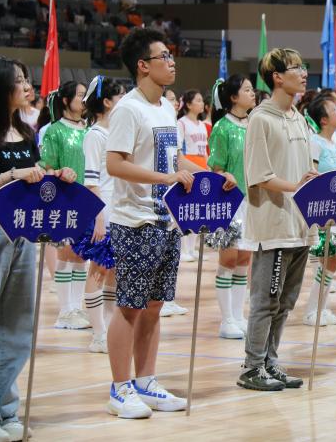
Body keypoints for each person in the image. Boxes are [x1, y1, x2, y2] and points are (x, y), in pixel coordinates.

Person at [105, 28, 231, 418]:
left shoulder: (164, 108)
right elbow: (115, 164)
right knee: (129, 306)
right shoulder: (128, 109)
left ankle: (146, 381)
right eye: (164, 56)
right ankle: (119, 388)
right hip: (135, 221)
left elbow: (173, 159)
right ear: (143, 65)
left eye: (172, 56)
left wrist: (211, 176)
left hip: (167, 221)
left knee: (155, 306)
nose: (172, 62)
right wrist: (165, 178)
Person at [0, 56, 74, 441]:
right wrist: (12, 174)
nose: (27, 85)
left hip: (23, 235)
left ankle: (6, 409)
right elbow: (17, 177)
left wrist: (57, 176)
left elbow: (35, 180)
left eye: (27, 79)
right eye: (19, 80)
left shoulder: (27, 133)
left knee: (17, 325)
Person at [237, 48, 316, 391]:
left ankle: (270, 361)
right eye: (296, 68)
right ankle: (252, 367)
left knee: (286, 302)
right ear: (277, 77)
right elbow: (259, 176)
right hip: (273, 226)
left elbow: (303, 169)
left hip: (300, 224)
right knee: (266, 300)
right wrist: (297, 185)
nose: (304, 73)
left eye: (303, 66)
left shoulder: (299, 118)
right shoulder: (261, 118)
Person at [73, 76, 126, 353]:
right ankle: (98, 335)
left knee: (113, 272)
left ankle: (109, 330)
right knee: (98, 270)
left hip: (120, 210)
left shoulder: (117, 133)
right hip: (102, 211)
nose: (125, 102)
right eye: (120, 98)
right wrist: (99, 217)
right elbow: (92, 182)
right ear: (106, 102)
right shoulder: (95, 135)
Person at [206, 75, 258, 339]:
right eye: (247, 90)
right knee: (228, 259)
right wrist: (224, 175)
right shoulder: (222, 127)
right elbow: (216, 167)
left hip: (252, 199)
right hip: (228, 202)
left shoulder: (254, 125)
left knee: (245, 259)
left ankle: (238, 316)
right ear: (234, 97)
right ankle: (226, 320)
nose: (253, 93)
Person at [40, 80, 91, 330]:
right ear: (65, 100)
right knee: (65, 252)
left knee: (81, 255)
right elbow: (47, 167)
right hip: (63, 198)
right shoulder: (54, 130)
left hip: (87, 198)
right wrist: (59, 173)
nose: (84, 100)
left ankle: (76, 308)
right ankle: (65, 311)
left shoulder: (90, 130)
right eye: (80, 95)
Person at [302, 95, 336, 325]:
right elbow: (311, 177)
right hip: (320, 211)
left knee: (331, 261)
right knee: (330, 260)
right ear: (323, 119)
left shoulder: (334, 143)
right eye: (333, 108)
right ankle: (312, 311)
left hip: (335, 210)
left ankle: (320, 309)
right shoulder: (315, 142)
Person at [177, 89, 209, 263]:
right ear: (188, 104)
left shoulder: (202, 124)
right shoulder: (181, 123)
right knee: (187, 209)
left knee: (199, 210)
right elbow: (179, 150)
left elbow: (204, 149)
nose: (201, 103)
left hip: (202, 165)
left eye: (202, 100)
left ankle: (192, 248)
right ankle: (183, 250)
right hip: (188, 164)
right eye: (198, 100)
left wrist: (208, 166)